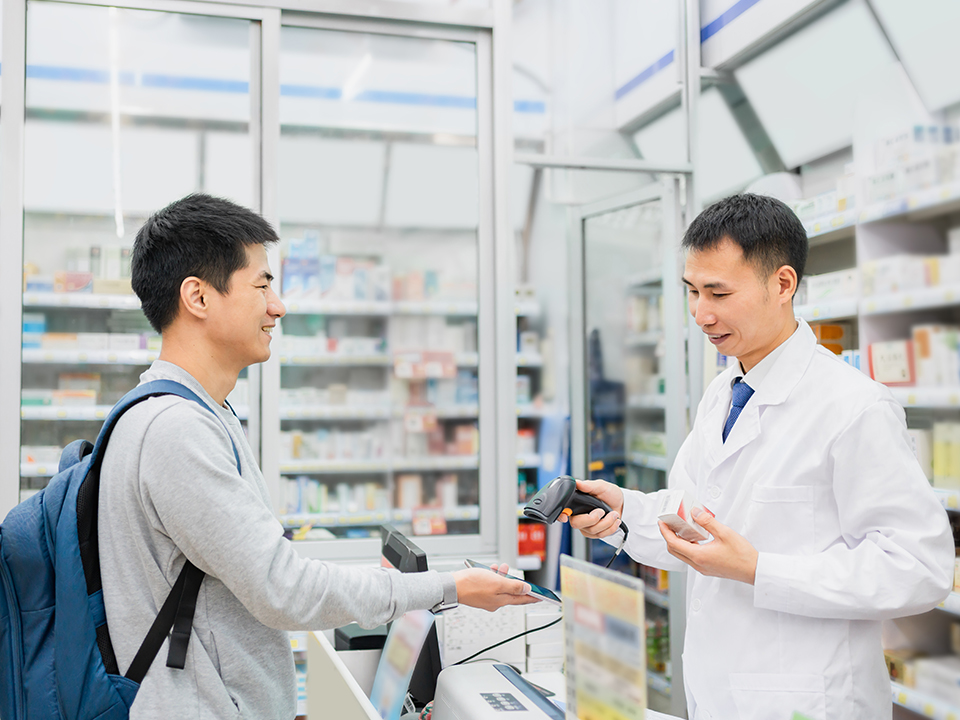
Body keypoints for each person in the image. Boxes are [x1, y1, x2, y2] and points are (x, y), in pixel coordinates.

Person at [98, 193, 538, 719]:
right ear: (198, 296)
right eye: (261, 284)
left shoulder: (189, 412)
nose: (277, 306)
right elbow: (285, 590)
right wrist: (450, 587)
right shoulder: (175, 430)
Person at [564, 193, 954, 720]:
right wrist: (625, 514)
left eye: (719, 293)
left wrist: (758, 569)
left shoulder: (854, 407)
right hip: (720, 691)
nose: (702, 313)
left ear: (783, 284)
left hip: (811, 701)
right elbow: (698, 521)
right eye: (693, 291)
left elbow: (918, 568)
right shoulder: (723, 393)